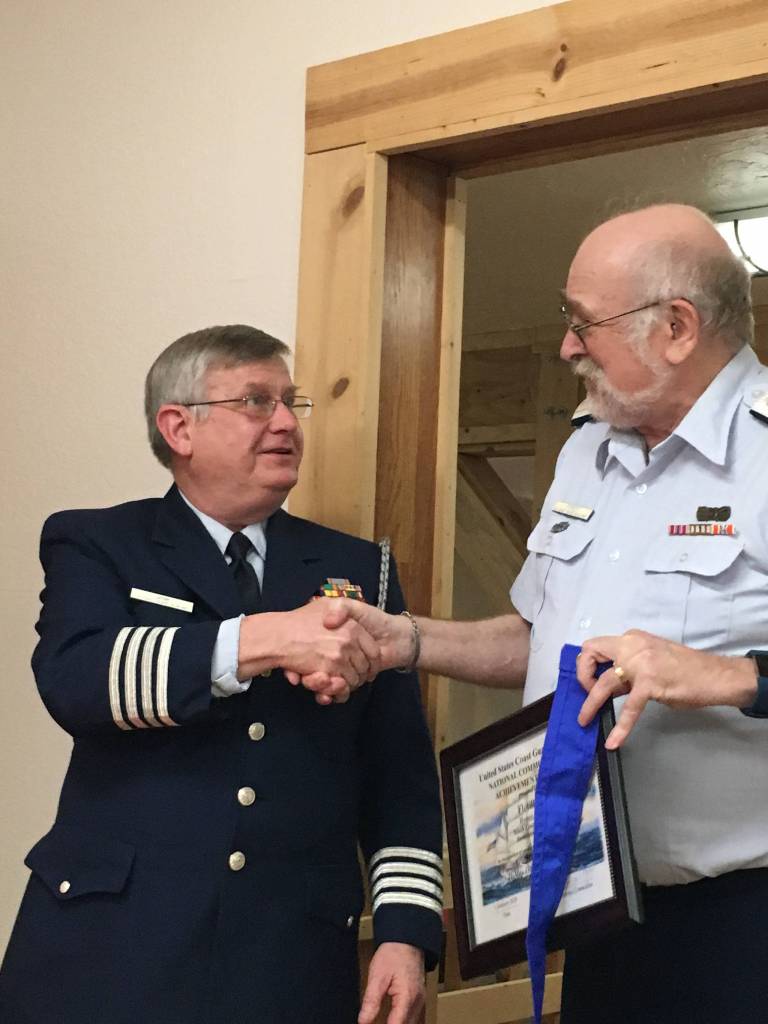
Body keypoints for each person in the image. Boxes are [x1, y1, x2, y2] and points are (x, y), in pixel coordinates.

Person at [320, 205, 768, 1022]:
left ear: (676, 327)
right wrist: (407, 642)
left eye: (582, 321)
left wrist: (729, 675)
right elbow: (539, 638)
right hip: (600, 915)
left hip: (743, 922)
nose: (566, 345)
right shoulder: (588, 448)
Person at [0, 325, 443, 1024]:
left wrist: (405, 933)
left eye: (292, 403)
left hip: (287, 959)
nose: (283, 423)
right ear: (177, 426)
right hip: (111, 951)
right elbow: (77, 681)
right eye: (255, 402)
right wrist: (264, 639)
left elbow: (400, 777)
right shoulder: (99, 542)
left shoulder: (361, 572)